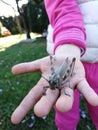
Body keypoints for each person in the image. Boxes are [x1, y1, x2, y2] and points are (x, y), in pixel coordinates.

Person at [11, 0, 98, 130]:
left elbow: (63, 80)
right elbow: (61, 6)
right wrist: (68, 48)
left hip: (93, 61)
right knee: (65, 112)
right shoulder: (52, 83)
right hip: (62, 50)